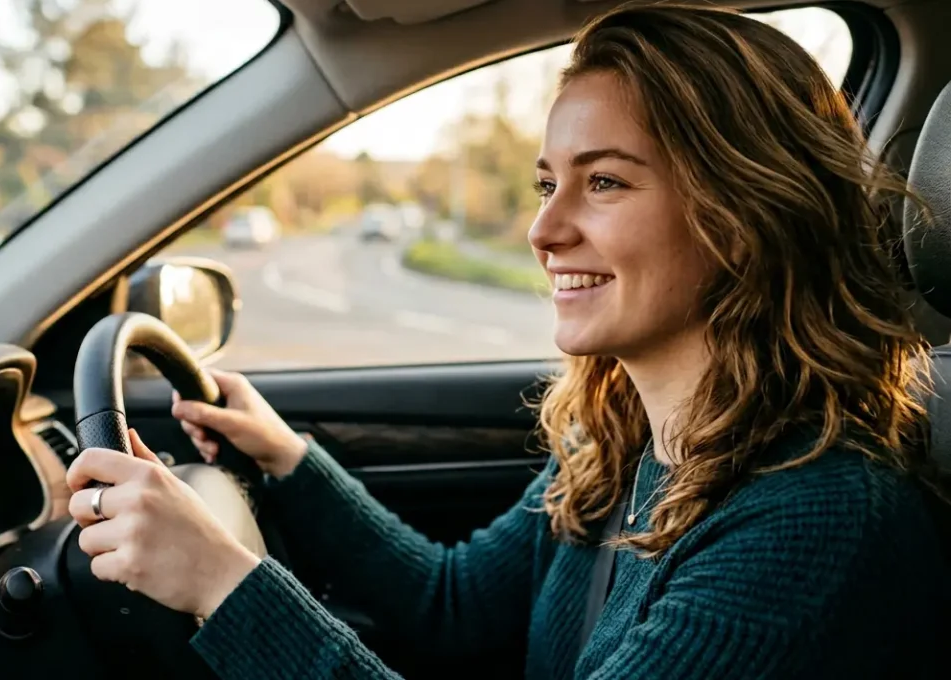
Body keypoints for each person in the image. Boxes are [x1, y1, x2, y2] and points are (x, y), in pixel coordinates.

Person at [63, 3, 951, 678]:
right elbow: (454, 609)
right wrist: (293, 462)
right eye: (545, 184)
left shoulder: (816, 520)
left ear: (745, 214)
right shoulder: (628, 444)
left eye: (603, 182)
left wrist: (224, 584)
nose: (544, 230)